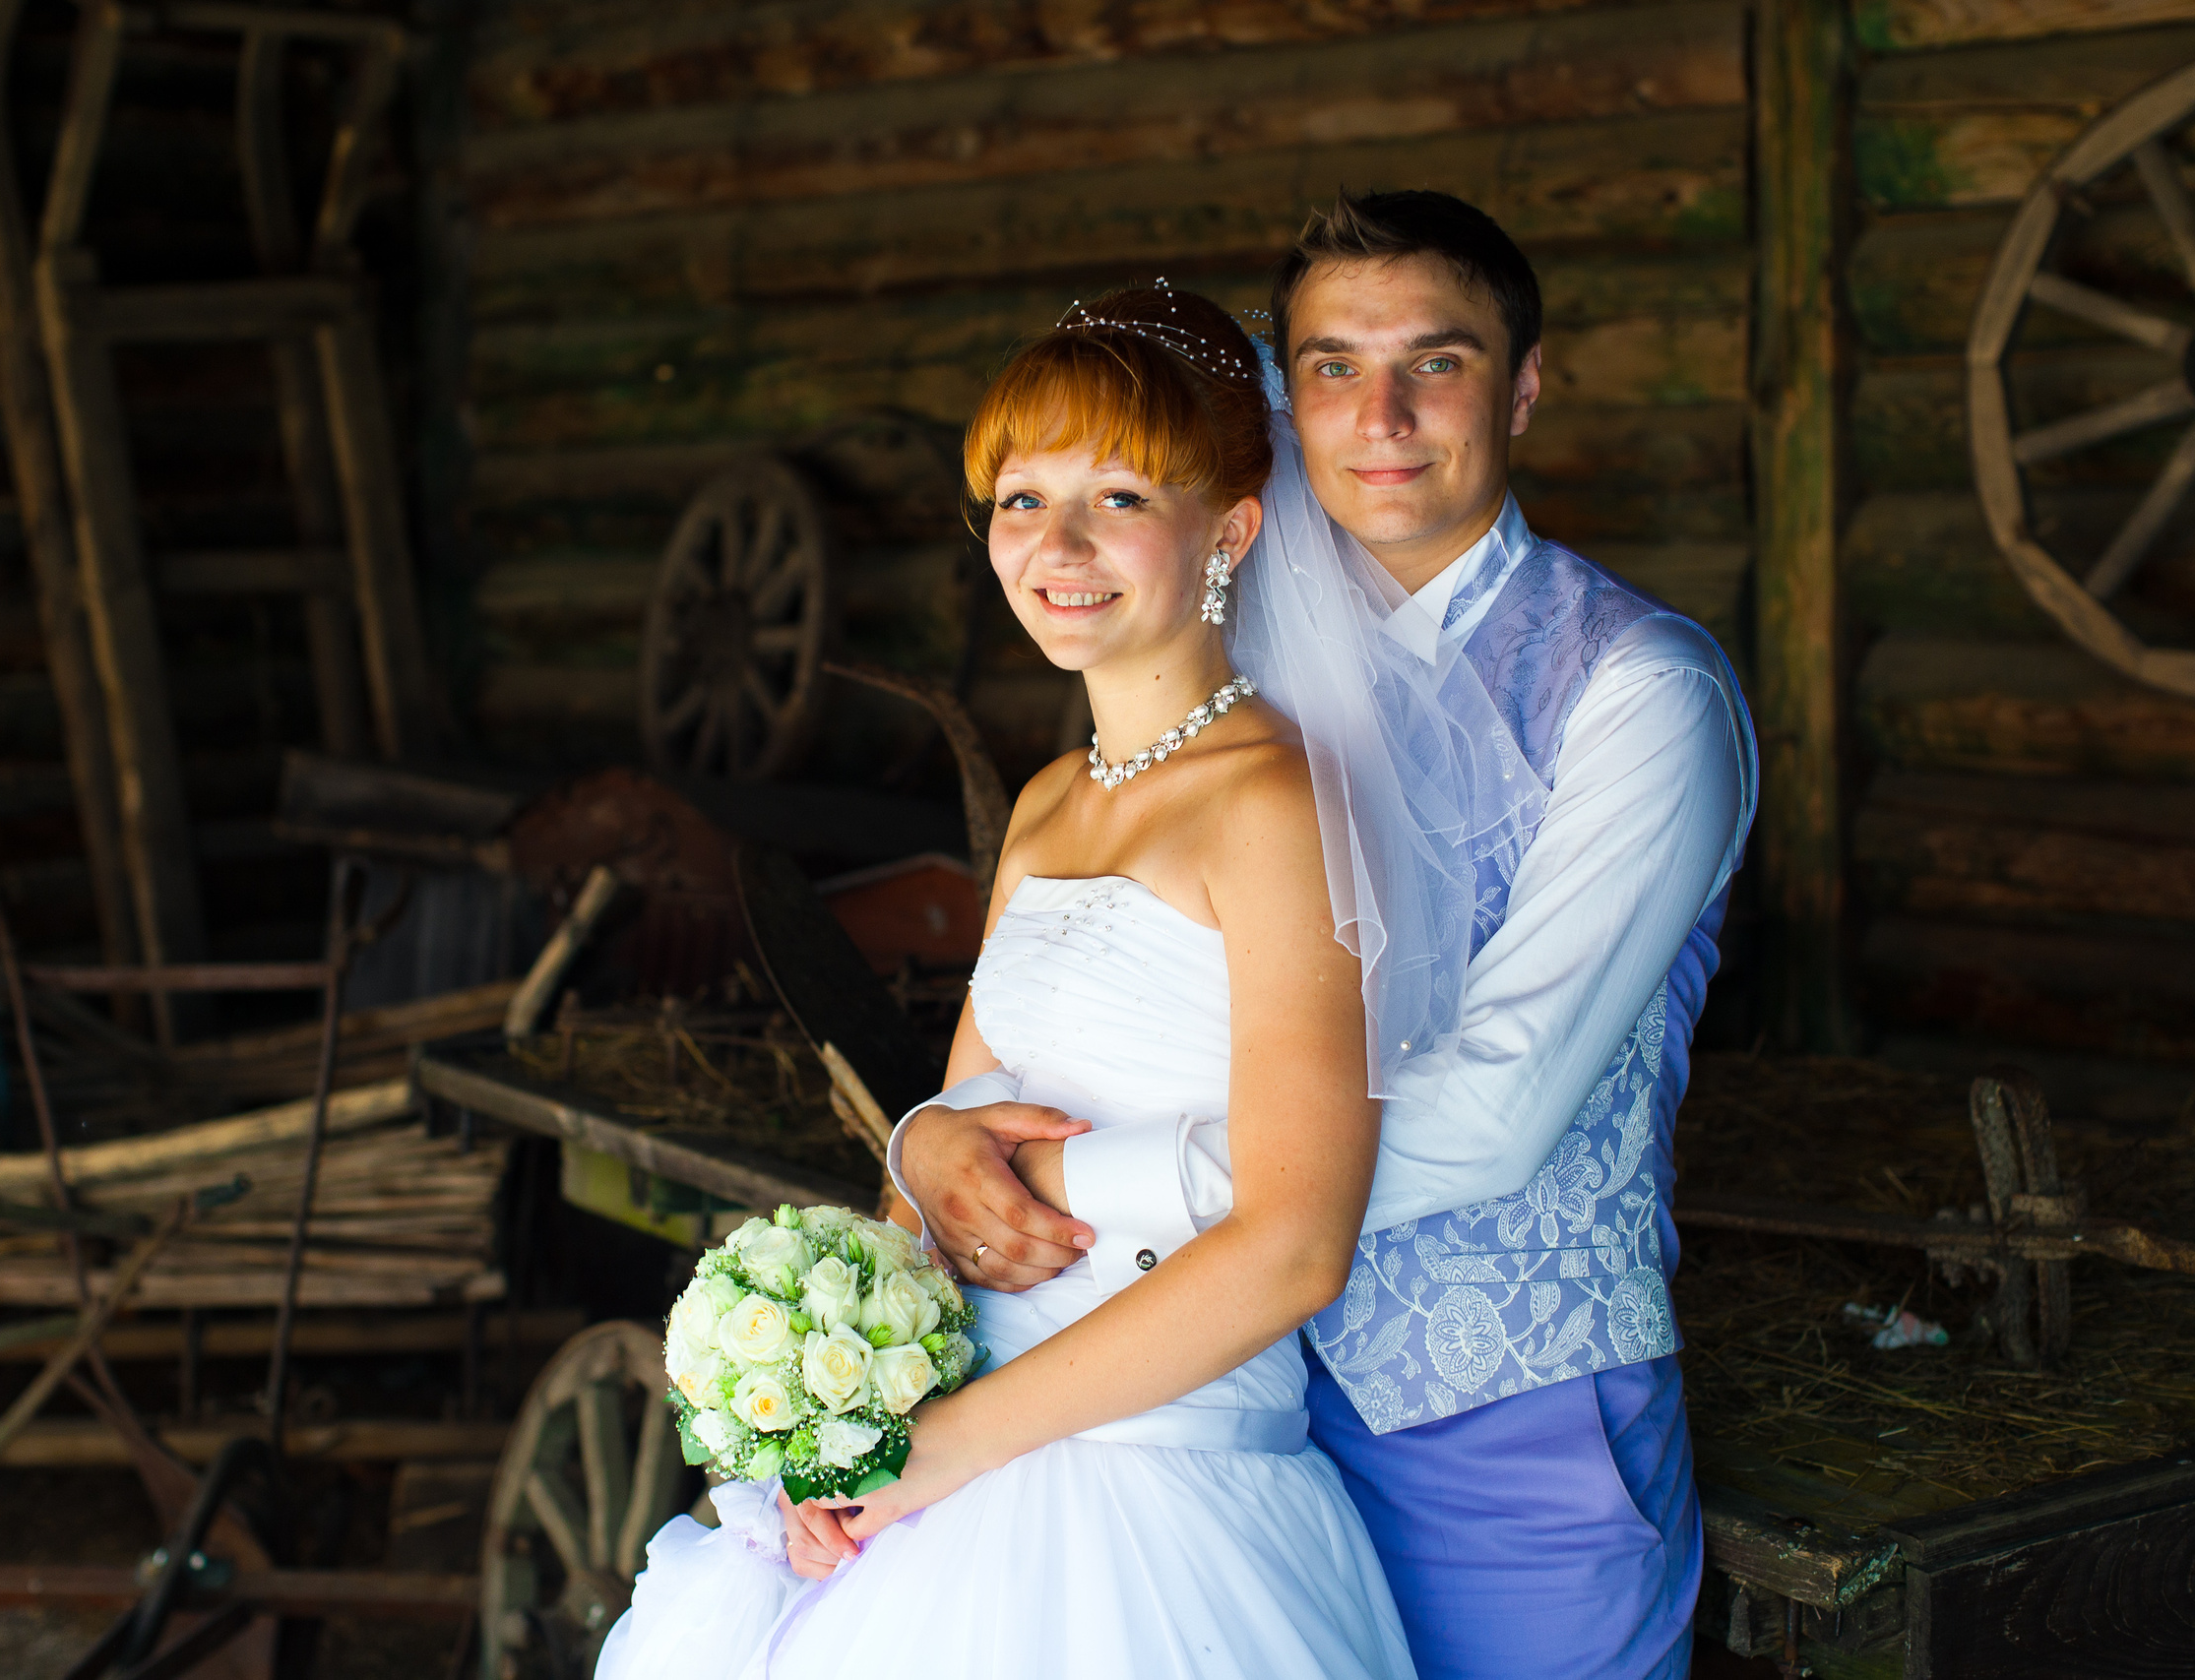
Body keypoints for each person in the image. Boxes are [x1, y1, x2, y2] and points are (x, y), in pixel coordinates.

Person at [889, 193, 1758, 1678]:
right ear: (1282, 399)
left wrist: (1060, 1179)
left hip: (1501, 1409)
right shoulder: (1220, 657)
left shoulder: (1640, 692)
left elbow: (1491, 1113)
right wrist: (930, 1138)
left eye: (1439, 360)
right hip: (1217, 1409)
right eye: (1334, 367)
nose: (1384, 413)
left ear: (1526, 386)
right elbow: (1091, 998)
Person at [595, 284, 1415, 1680]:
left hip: (1148, 1495)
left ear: (1230, 530)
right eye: (1022, 500)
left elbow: (1296, 1244)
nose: (1059, 546)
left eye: (1115, 495)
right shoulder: (1045, 805)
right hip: (933, 1459)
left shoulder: (1279, 809)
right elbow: (951, 1145)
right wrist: (835, 1441)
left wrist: (941, 1450)